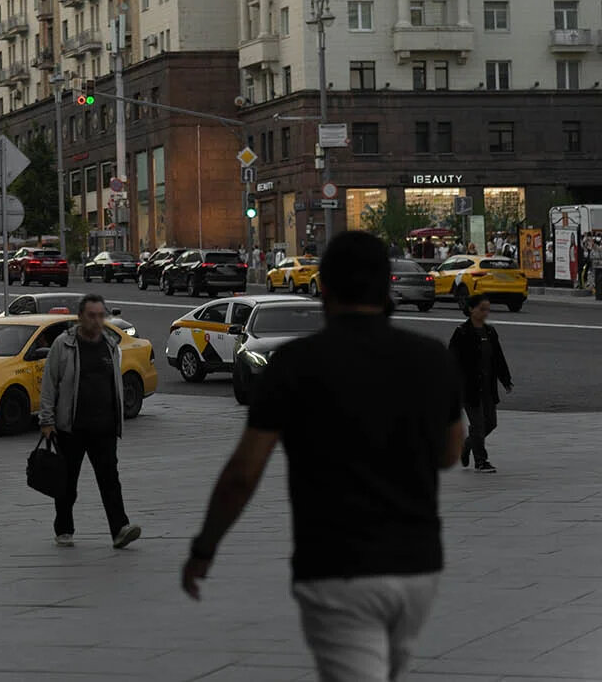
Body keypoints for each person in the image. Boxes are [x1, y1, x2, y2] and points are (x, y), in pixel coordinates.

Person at [181, 231, 464, 682]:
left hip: (336, 568)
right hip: (417, 567)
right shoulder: (431, 358)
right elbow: (452, 453)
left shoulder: (294, 364)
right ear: (386, 289)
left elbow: (243, 473)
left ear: (324, 288)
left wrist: (204, 548)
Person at [39, 295, 141, 548]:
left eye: (100, 315)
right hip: (71, 427)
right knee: (67, 482)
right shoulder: (64, 345)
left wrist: (119, 418)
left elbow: (114, 382)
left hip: (104, 427)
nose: (97, 321)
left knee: (110, 480)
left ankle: (120, 529)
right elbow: (49, 384)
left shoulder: (109, 344)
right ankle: (64, 528)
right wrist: (47, 420)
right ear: (80, 317)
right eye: (91, 315)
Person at [449, 294, 513, 473]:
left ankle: (466, 446)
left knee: (491, 423)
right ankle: (481, 461)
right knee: (477, 425)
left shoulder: (490, 332)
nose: (485, 313)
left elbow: (498, 358)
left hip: (488, 387)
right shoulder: (462, 332)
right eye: (482, 309)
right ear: (471, 309)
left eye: (487, 309)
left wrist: (506, 380)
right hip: (469, 388)